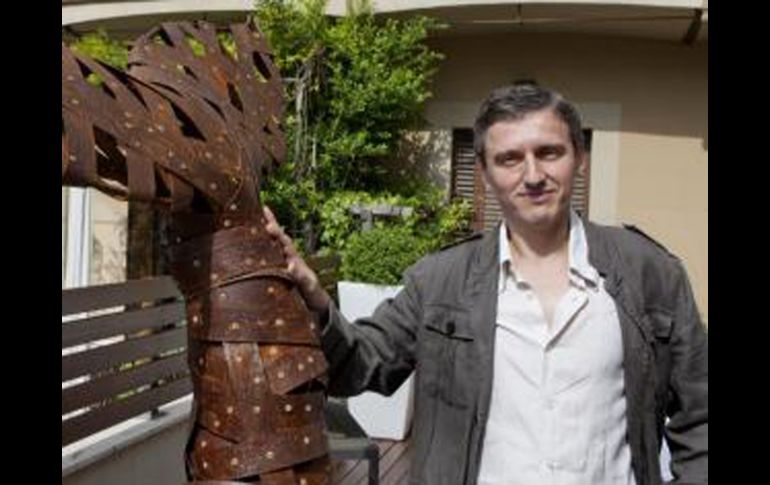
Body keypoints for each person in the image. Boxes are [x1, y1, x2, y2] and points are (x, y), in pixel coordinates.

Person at [262, 83, 708, 485]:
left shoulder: (650, 273)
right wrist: (313, 297)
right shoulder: (439, 281)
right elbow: (360, 365)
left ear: (579, 156)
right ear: (485, 171)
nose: (532, 175)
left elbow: (701, 413)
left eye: (549, 152)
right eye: (509, 159)